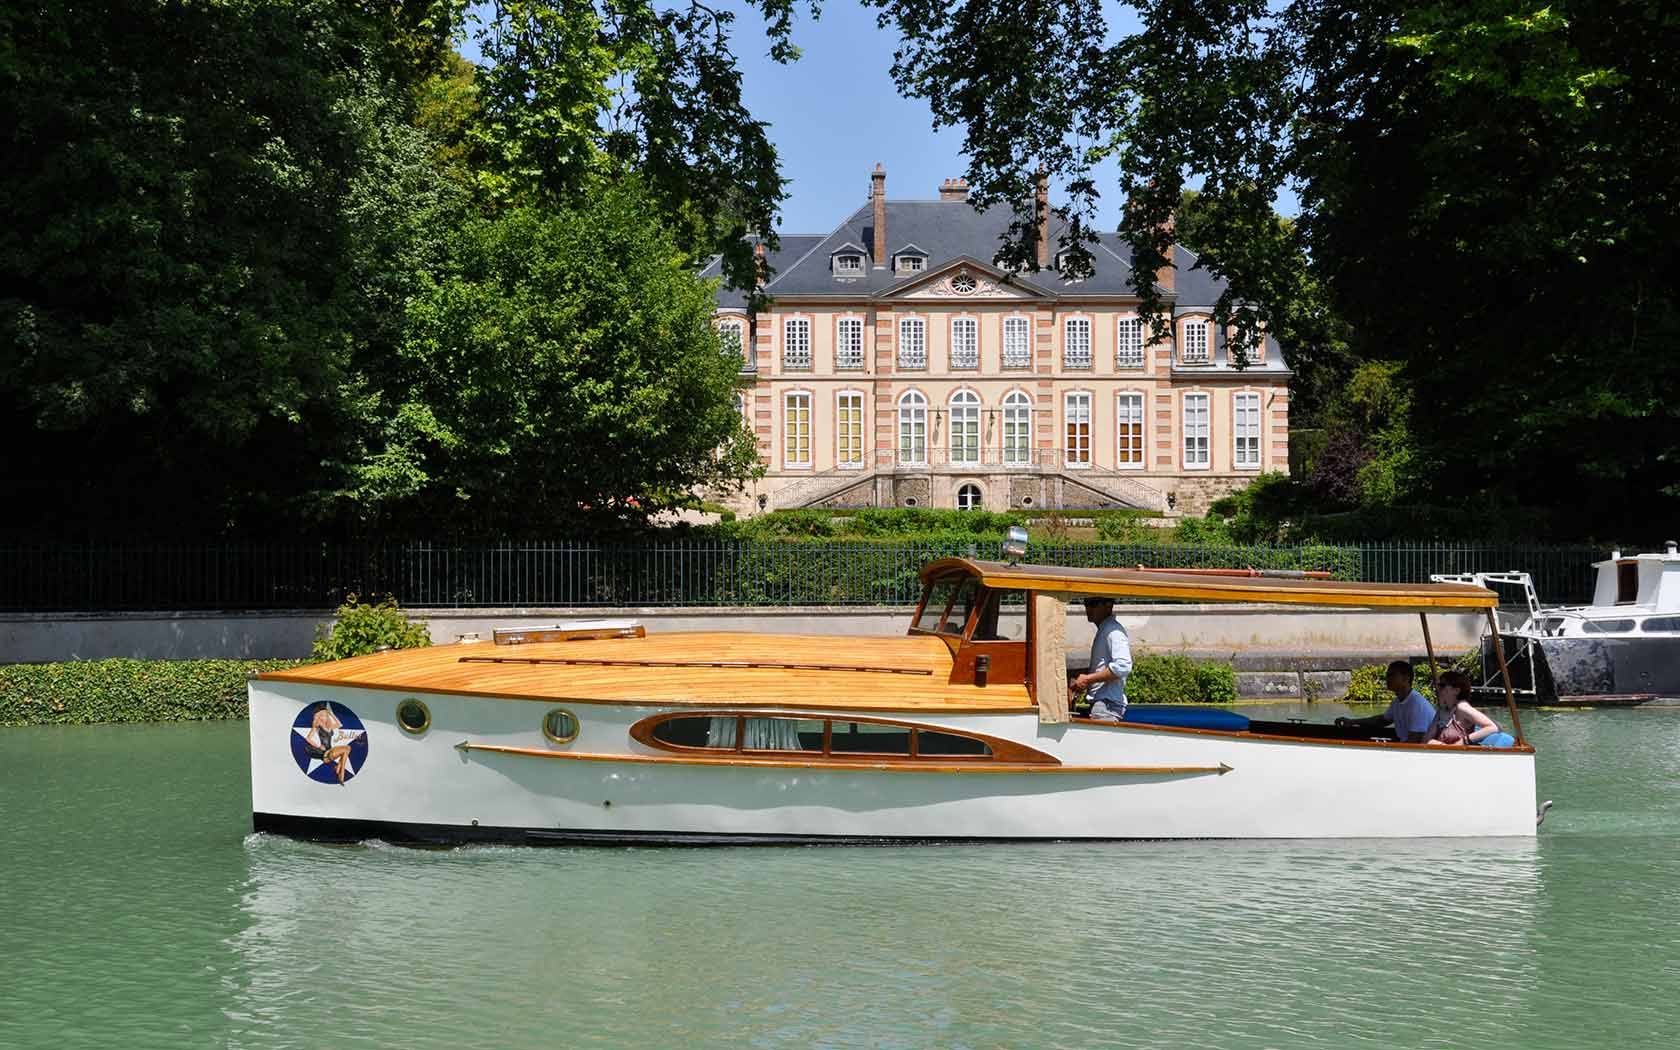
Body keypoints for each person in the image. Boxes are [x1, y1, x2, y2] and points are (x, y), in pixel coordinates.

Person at [1335, 661, 1434, 742]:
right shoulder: (1397, 702)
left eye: (1391, 675)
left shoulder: (1416, 704)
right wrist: (1352, 722)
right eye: (1387, 675)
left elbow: (1414, 741)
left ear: (1405, 678)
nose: (1387, 679)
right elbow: (1382, 720)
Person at [1070, 595, 1132, 722]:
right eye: (1086, 603)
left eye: (1093, 604)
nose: (1088, 608)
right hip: (1103, 705)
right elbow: (1102, 666)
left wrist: (1087, 679)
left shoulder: (1113, 631)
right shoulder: (1106, 629)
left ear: (1108, 605)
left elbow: (1122, 666)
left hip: (1106, 706)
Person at [1427, 670, 1502, 746]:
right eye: (1438, 685)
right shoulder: (1442, 710)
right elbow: (1426, 740)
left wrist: (1463, 741)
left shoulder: (1462, 708)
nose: (1438, 688)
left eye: (1442, 685)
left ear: (1456, 690)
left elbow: (1492, 727)